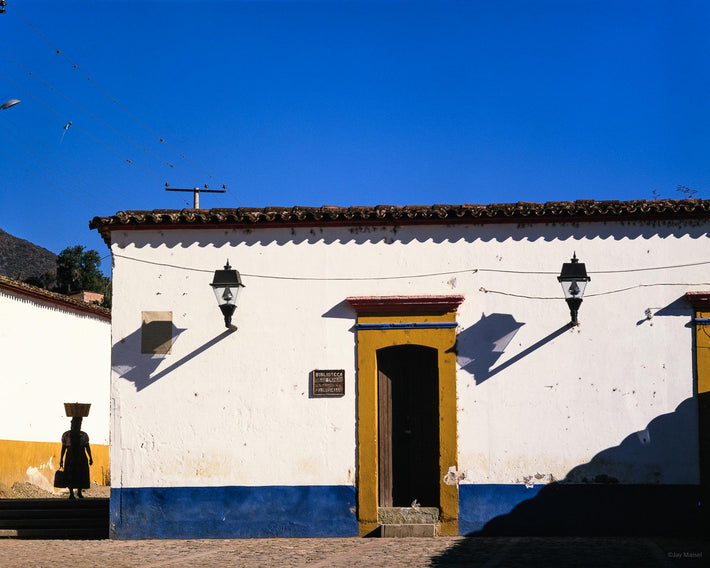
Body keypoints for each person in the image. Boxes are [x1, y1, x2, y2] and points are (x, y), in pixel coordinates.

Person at [59, 417, 93, 499]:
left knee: (81, 474)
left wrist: (90, 458)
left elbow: (87, 447)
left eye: (78, 424)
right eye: (74, 423)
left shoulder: (84, 435)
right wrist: (61, 459)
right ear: (71, 423)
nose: (76, 425)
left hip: (81, 457)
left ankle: (79, 492)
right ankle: (71, 493)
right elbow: (63, 448)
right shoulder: (66, 435)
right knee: (70, 474)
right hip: (70, 457)